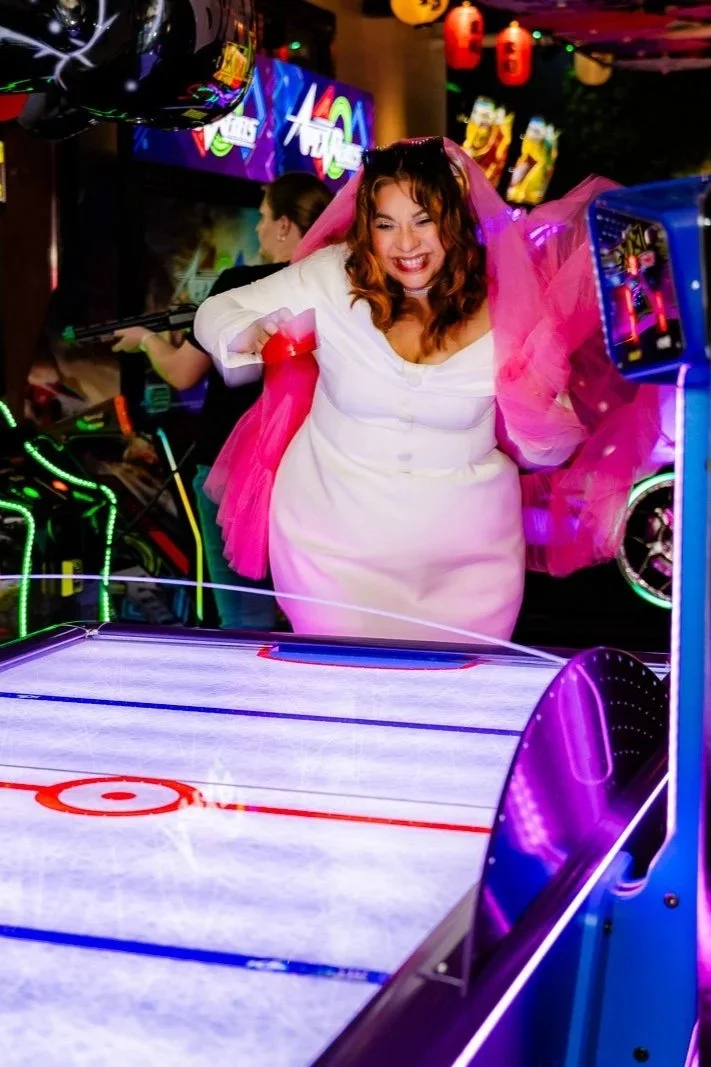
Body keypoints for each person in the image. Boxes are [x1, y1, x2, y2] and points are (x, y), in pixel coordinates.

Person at [194, 137, 662, 643]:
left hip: (469, 569)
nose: (406, 244)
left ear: (454, 221)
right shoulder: (331, 277)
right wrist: (243, 335)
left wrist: (547, 406)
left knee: (452, 707)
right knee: (340, 698)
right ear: (366, 229)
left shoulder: (512, 299)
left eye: (424, 220)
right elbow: (215, 311)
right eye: (386, 224)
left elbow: (540, 451)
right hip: (332, 555)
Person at [111, 172, 333, 630]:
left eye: (265, 216)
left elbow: (182, 372)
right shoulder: (336, 287)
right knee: (317, 613)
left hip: (233, 472)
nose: (257, 227)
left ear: (287, 226)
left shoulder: (238, 284)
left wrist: (147, 342)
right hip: (317, 468)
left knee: (243, 619)